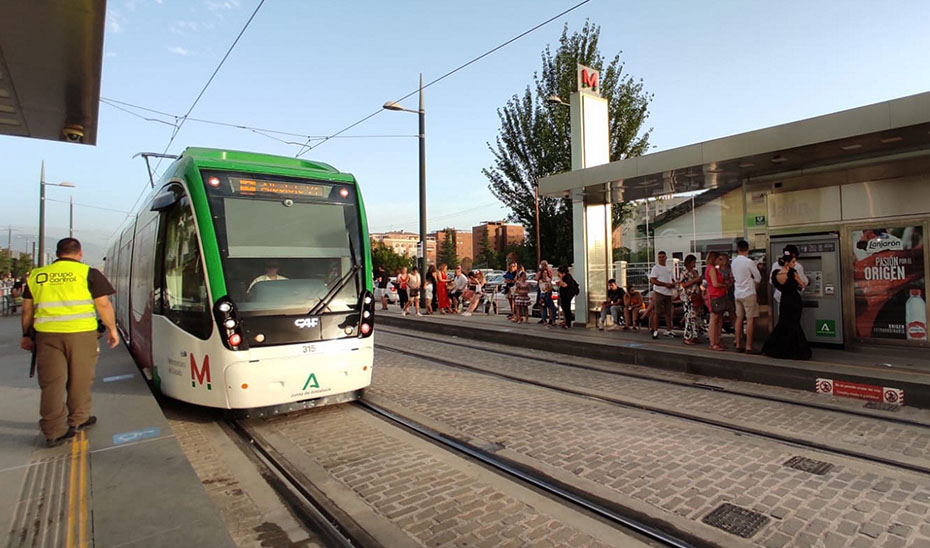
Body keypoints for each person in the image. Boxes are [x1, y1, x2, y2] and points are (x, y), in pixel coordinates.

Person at [20, 238, 120, 447]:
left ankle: (54, 431)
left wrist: (26, 336)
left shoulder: (37, 276)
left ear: (58, 253)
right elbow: (103, 305)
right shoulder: (88, 273)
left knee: (52, 384)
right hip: (81, 335)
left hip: (46, 336)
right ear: (80, 253)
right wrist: (112, 329)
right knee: (80, 378)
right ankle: (78, 419)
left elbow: (27, 310)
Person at [762, 253, 812, 360]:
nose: (795, 264)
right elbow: (802, 284)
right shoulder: (792, 272)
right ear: (787, 263)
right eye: (793, 262)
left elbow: (776, 285)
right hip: (794, 300)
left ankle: (775, 347)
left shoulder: (776, 274)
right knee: (794, 323)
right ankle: (796, 350)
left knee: (783, 323)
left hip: (784, 300)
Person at [732, 240, 762, 353]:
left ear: (738, 249)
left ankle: (738, 344)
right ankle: (749, 346)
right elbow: (758, 277)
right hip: (748, 292)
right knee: (750, 319)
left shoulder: (734, 262)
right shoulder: (749, 262)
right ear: (747, 249)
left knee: (739, 318)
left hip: (737, 293)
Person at [649, 251, 676, 339]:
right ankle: (655, 330)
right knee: (657, 312)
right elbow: (653, 281)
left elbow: (672, 279)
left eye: (662, 257)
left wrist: (673, 284)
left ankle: (668, 330)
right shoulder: (655, 268)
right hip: (659, 292)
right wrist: (665, 284)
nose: (661, 259)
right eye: (659, 257)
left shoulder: (669, 268)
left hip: (668, 293)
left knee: (668, 312)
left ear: (666, 258)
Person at [705, 251, 728, 351]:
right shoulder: (712, 269)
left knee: (718, 319)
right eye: (719, 259)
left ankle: (716, 340)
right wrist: (724, 285)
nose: (720, 261)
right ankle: (713, 342)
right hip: (716, 295)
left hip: (717, 294)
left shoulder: (711, 268)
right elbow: (715, 283)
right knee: (714, 319)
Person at [680, 255, 704, 345]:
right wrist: (695, 280)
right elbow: (683, 284)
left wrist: (698, 279)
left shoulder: (695, 272)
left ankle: (695, 335)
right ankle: (688, 336)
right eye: (693, 262)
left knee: (696, 317)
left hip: (696, 295)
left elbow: (699, 282)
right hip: (688, 297)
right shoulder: (684, 272)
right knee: (689, 317)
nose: (694, 264)